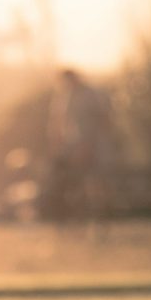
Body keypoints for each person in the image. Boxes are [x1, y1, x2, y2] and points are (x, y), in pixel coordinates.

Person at [45, 68, 117, 224]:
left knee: (96, 183)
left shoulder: (90, 95)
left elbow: (101, 120)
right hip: (75, 146)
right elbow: (58, 123)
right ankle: (76, 217)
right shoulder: (64, 97)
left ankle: (101, 218)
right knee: (74, 182)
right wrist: (58, 145)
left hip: (95, 146)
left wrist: (87, 145)